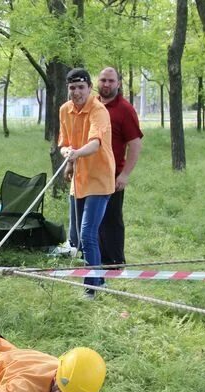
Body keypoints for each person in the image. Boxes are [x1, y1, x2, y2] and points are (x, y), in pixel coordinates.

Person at [59, 68, 114, 298]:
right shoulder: (65, 110)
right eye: (72, 88)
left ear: (89, 88)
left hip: (100, 179)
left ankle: (91, 287)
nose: (77, 92)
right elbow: (64, 143)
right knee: (76, 238)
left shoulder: (98, 110)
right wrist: (68, 157)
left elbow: (95, 144)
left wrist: (75, 154)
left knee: (88, 233)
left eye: (81, 87)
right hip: (79, 180)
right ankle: (99, 277)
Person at [95, 67, 143, 267]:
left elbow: (135, 143)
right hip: (90, 175)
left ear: (118, 83)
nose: (106, 84)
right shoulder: (93, 105)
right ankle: (95, 259)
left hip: (112, 176)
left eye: (111, 81)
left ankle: (115, 261)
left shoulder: (125, 109)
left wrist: (124, 175)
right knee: (92, 221)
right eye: (103, 80)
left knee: (111, 220)